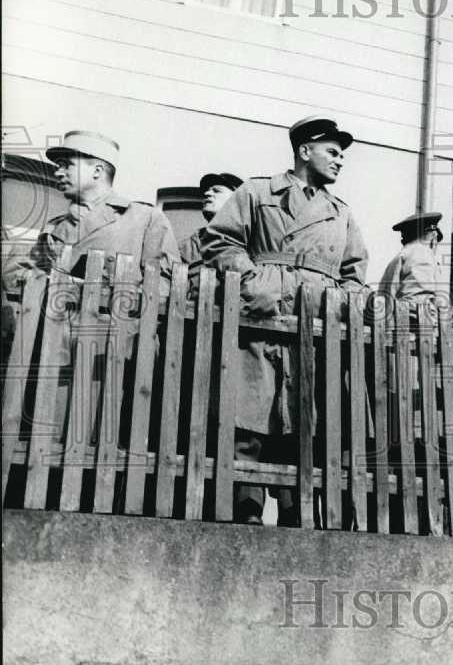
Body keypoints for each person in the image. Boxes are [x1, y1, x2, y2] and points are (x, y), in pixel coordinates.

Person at [201, 115, 368, 525]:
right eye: (333, 151)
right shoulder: (258, 192)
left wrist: (339, 303)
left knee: (302, 422)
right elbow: (220, 240)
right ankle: (245, 513)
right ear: (304, 150)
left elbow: (355, 271)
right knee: (250, 416)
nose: (340, 160)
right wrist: (253, 282)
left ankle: (297, 515)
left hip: (314, 321)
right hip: (262, 313)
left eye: (342, 153)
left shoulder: (340, 213)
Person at [2, 130, 178, 295]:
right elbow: (19, 280)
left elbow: (163, 289)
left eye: (67, 165)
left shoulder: (145, 218)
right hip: (55, 324)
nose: (58, 172)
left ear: (97, 171)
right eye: (58, 166)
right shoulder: (55, 227)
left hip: (111, 325)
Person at [378, 211, 449, 305]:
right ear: (433, 236)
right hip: (422, 315)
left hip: (402, 314)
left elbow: (386, 295)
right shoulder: (429, 258)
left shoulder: (402, 255)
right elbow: (439, 301)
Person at [178, 172, 243, 272]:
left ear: (236, 200)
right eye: (207, 191)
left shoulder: (251, 245)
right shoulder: (187, 247)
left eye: (217, 191)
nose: (207, 194)